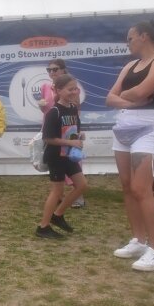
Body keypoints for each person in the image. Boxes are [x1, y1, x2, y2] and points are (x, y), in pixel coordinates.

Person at [106, 20, 154, 272]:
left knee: (141, 188)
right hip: (124, 125)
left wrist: (126, 97)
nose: (128, 42)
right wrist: (130, 99)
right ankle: (138, 240)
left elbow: (142, 90)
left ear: (144, 36)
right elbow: (110, 97)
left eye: (130, 37)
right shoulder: (130, 65)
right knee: (127, 186)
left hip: (150, 127)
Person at [35, 74, 88, 238]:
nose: (74, 92)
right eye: (70, 89)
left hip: (69, 155)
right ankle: (43, 227)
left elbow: (73, 130)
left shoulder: (72, 108)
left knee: (82, 185)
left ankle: (57, 216)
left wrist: (79, 137)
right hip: (56, 156)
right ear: (58, 90)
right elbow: (48, 138)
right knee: (57, 191)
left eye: (75, 89)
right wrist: (70, 143)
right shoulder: (54, 112)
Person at [38, 59, 85, 209]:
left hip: (67, 128)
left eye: (55, 69)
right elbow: (47, 111)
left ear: (63, 70)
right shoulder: (45, 86)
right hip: (51, 126)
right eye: (49, 70)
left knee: (73, 161)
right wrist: (42, 106)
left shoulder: (71, 86)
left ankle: (76, 197)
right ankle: (59, 201)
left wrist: (76, 131)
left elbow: (75, 109)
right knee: (58, 167)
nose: (52, 72)